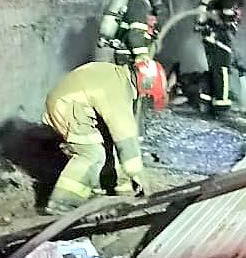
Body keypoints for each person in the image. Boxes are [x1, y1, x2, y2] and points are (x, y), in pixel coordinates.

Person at [42, 60, 167, 214]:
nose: (146, 96)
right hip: (70, 106)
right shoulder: (118, 91)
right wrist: (139, 176)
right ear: (147, 83)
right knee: (92, 154)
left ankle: (101, 186)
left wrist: (125, 188)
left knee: (107, 144)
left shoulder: (117, 75)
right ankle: (62, 202)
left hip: (70, 102)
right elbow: (125, 139)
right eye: (148, 93)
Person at [194, 0, 246, 114]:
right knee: (222, 70)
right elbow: (227, 19)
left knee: (215, 70)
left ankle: (206, 99)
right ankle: (221, 105)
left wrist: (236, 56)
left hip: (215, 39)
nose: (244, 0)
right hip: (217, 38)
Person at [97, 0, 171, 71]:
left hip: (127, 55)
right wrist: (141, 55)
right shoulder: (139, 3)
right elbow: (135, 33)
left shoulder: (144, 4)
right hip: (127, 57)